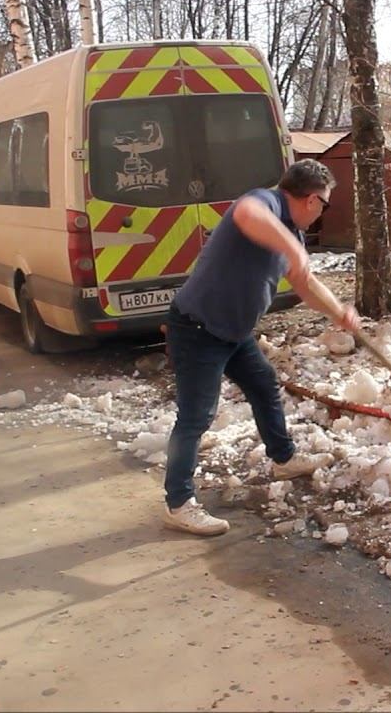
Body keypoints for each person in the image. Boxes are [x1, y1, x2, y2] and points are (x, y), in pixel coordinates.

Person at [160, 159, 360, 536]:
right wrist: (292, 249)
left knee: (264, 387)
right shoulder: (262, 203)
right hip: (198, 330)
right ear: (311, 199)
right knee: (196, 417)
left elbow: (305, 283)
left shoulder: (291, 232)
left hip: (233, 333)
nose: (322, 213)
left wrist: (339, 312)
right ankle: (178, 502)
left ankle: (283, 458)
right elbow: (249, 215)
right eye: (325, 204)